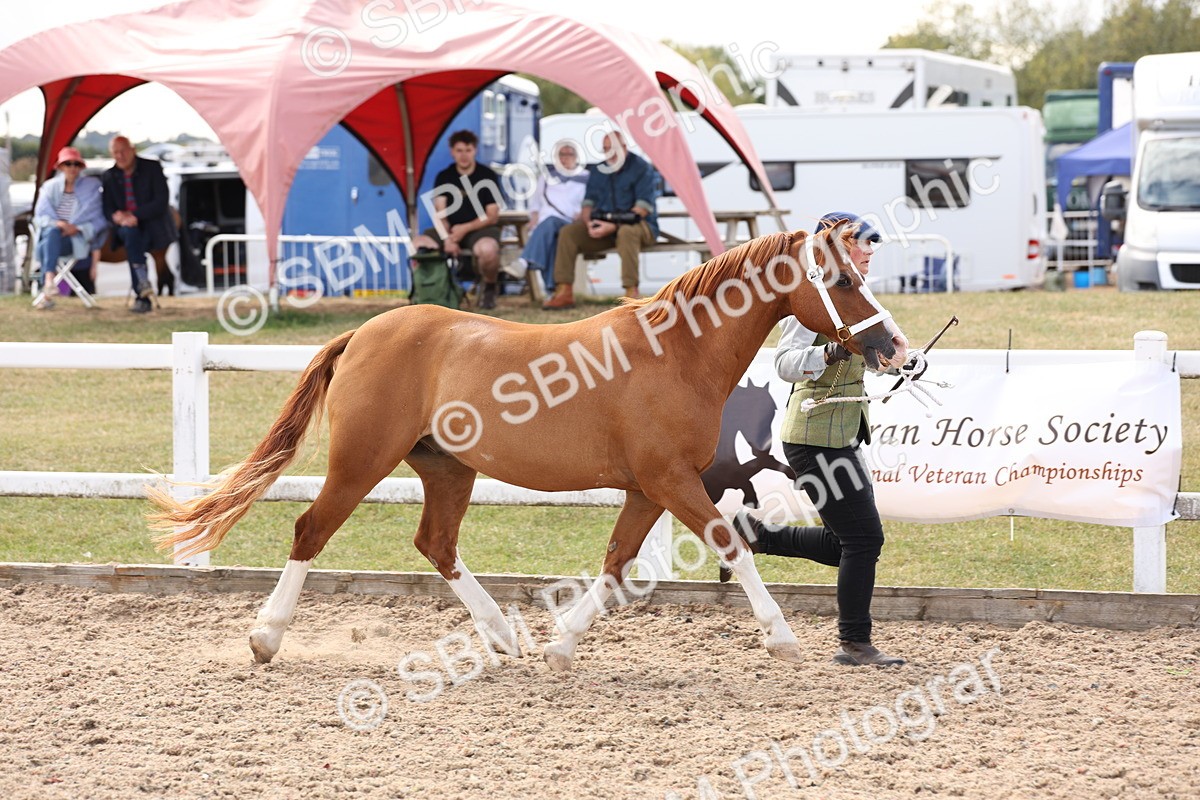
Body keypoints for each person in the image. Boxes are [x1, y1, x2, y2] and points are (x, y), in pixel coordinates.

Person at [722, 211, 905, 667]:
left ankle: (752, 533)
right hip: (813, 438)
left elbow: (883, 353)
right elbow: (783, 362)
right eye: (861, 244)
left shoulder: (857, 294)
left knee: (848, 541)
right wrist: (831, 351)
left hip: (840, 432)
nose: (868, 252)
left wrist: (906, 363)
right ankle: (854, 643)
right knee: (863, 540)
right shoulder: (816, 296)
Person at [542, 131, 658, 309]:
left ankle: (631, 292)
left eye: (613, 149)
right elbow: (588, 204)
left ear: (624, 148)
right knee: (568, 232)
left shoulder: (642, 168)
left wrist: (613, 226)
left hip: (640, 227)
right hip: (606, 228)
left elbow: (641, 210)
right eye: (605, 149)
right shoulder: (598, 169)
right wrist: (588, 223)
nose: (609, 153)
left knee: (626, 231)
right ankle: (564, 291)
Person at [414, 130, 503, 309]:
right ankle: (427, 292)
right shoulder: (444, 176)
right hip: (450, 230)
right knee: (419, 244)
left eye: (468, 150)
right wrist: (447, 238)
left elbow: (492, 215)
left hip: (480, 230)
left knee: (488, 250)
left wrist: (465, 229)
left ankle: (489, 287)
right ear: (452, 151)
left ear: (475, 151)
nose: (464, 155)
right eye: (459, 150)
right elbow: (439, 212)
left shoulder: (487, 176)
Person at [101, 136, 177, 313]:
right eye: (116, 152)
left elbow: (161, 200)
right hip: (126, 229)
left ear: (133, 150)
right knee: (130, 234)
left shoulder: (152, 168)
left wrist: (135, 215)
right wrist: (117, 217)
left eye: (123, 151)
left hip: (152, 225)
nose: (120, 156)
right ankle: (142, 287)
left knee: (133, 239)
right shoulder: (109, 176)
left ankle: (142, 294)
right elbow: (107, 207)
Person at [503, 141, 588, 294]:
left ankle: (523, 261)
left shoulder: (585, 178)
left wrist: (583, 214)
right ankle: (553, 292)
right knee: (552, 240)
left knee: (551, 223)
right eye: (561, 154)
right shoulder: (546, 177)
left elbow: (589, 203)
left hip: (571, 222)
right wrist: (533, 220)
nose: (565, 158)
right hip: (545, 226)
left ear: (576, 157)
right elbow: (535, 205)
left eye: (569, 154)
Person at [32, 147, 106, 310]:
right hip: (53, 236)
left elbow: (99, 220)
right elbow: (41, 217)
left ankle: (47, 284)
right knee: (52, 232)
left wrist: (78, 228)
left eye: (76, 164)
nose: (72, 168)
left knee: (47, 243)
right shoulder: (49, 187)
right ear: (60, 167)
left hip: (75, 240)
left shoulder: (91, 188)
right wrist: (58, 224)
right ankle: (50, 282)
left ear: (80, 167)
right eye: (68, 164)